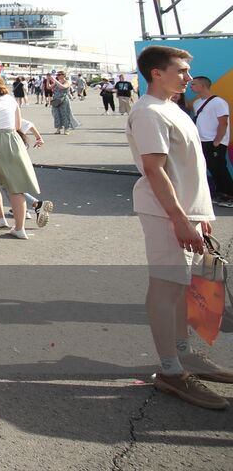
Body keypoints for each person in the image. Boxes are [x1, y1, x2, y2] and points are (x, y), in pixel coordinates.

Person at [127, 45, 233, 409]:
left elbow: (186, 167)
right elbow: (154, 170)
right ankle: (171, 372)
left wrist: (198, 213)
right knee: (166, 287)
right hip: (165, 214)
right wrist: (178, 218)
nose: (189, 77)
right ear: (157, 73)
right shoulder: (148, 112)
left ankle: (183, 356)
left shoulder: (171, 108)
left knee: (180, 288)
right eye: (182, 71)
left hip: (185, 212)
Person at [0, 71, 44, 239]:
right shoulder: (11, 99)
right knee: (16, 185)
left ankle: (0, 218)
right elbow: (18, 124)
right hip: (13, 138)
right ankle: (19, 228)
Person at [189, 76, 232, 206]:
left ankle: (230, 195)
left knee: (220, 168)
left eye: (194, 84)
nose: (191, 86)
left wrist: (217, 141)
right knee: (212, 168)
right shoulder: (197, 103)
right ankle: (222, 194)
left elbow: (223, 123)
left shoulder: (218, 102)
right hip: (202, 141)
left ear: (202, 86)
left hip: (214, 141)